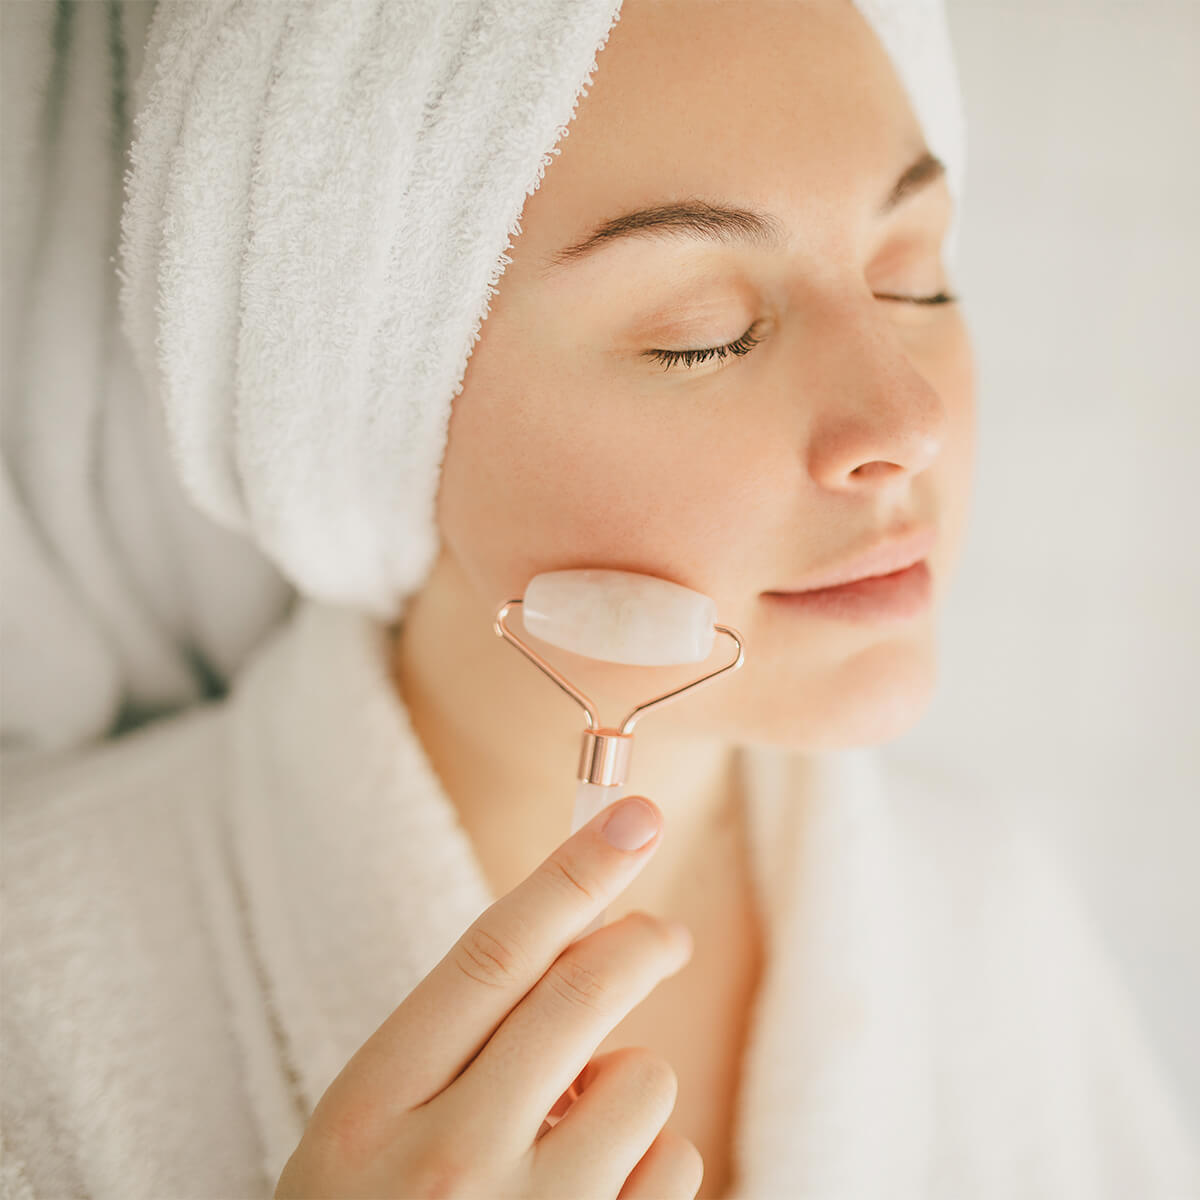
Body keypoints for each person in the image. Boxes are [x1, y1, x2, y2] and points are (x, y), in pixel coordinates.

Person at [3, 2, 1196, 1198]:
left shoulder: (994, 923)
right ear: (363, 394)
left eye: (913, 281)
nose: (906, 422)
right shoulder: (36, 983)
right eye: (704, 335)